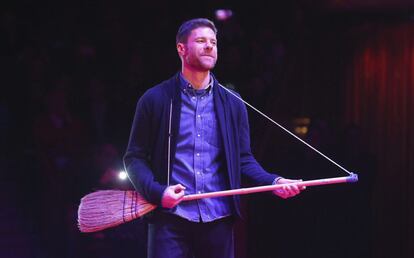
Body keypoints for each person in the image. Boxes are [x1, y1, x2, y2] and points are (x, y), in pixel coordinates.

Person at [123, 18, 304, 258]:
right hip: (170, 219)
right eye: (201, 41)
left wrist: (273, 181)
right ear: (181, 49)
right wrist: (158, 192)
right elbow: (134, 158)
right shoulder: (155, 99)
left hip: (218, 218)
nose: (209, 46)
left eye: (213, 42)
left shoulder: (232, 102)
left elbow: (243, 159)